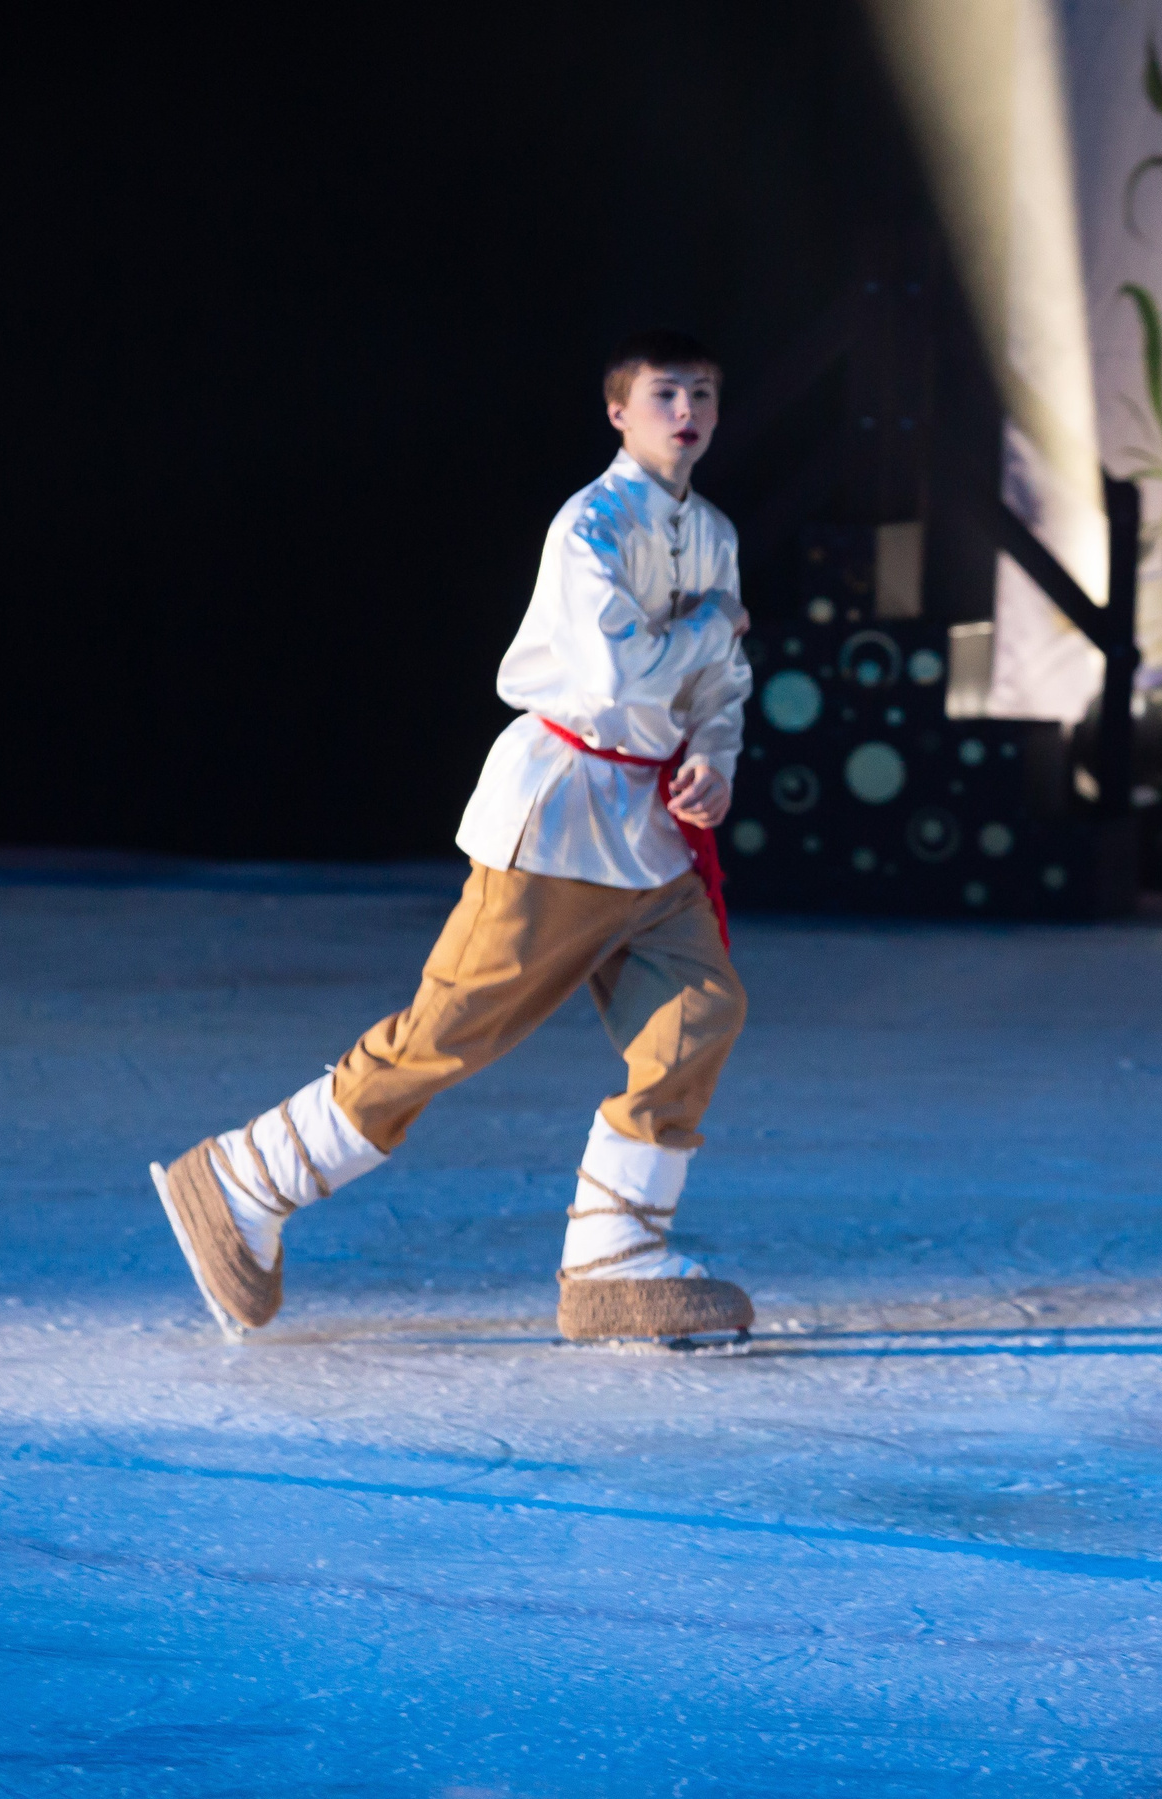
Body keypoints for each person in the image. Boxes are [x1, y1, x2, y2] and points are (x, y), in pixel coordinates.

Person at [148, 328, 756, 1348]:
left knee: (698, 1009)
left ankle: (614, 1257)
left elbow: (718, 685)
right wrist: (707, 631)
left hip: (650, 830)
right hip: (560, 818)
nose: (685, 409)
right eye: (663, 392)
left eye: (701, 392)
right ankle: (241, 1178)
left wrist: (717, 755)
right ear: (619, 409)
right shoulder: (590, 528)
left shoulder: (717, 535)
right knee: (448, 1033)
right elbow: (618, 676)